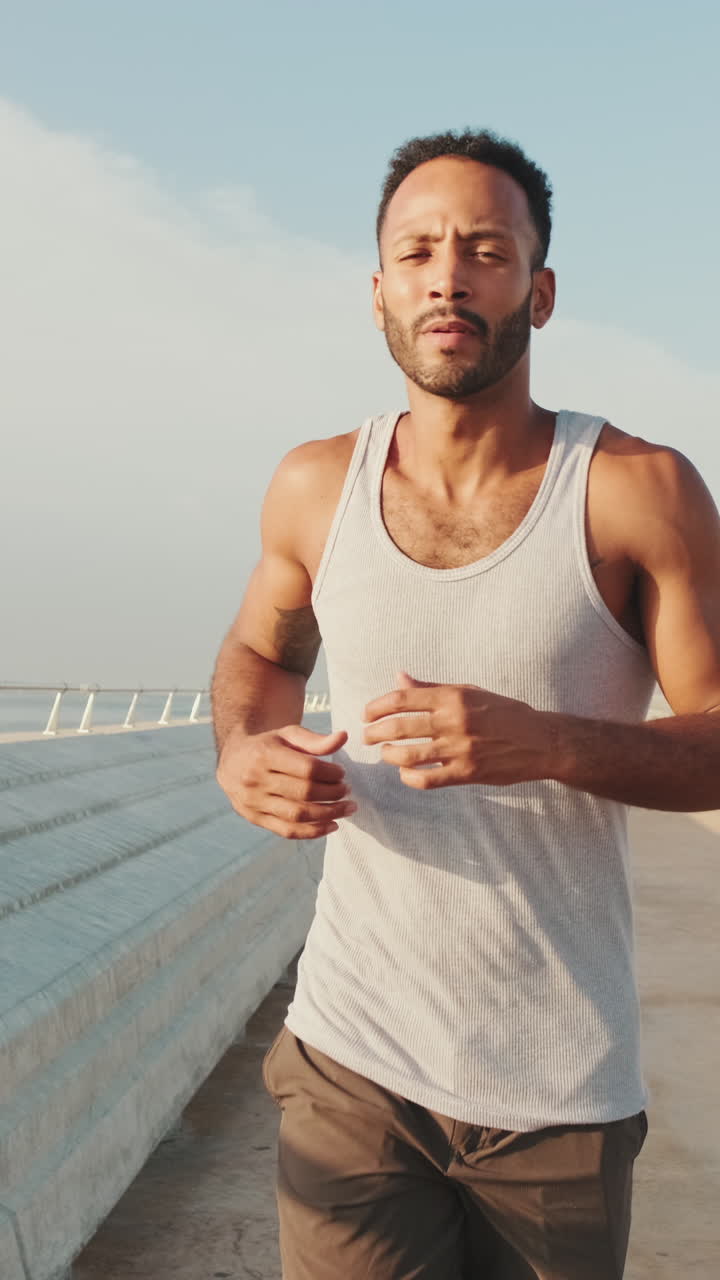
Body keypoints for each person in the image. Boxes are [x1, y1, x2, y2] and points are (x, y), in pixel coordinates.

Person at [211, 129, 720, 1280]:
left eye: (486, 251)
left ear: (539, 292)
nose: (448, 276)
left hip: (560, 1090)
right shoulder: (313, 486)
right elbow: (257, 649)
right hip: (351, 1058)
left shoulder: (638, 491)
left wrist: (548, 740)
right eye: (419, 251)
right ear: (379, 293)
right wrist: (244, 748)